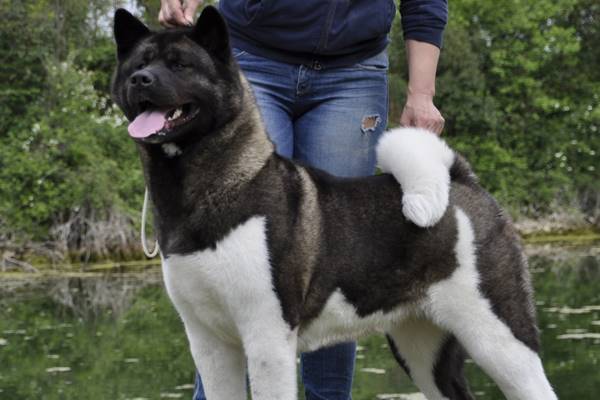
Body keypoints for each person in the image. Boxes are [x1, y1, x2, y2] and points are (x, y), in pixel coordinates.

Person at [158, 1, 447, 399]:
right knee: (229, 257)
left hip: (353, 72)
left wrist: (422, 92)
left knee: (339, 255)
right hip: (251, 58)